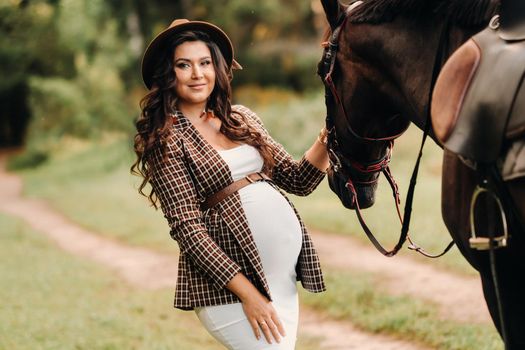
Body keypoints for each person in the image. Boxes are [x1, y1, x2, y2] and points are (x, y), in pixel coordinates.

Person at [132, 18, 330, 349]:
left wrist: (329, 137)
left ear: (217, 67)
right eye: (184, 65)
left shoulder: (241, 118)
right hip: (229, 289)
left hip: (279, 282)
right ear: (168, 75)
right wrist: (250, 295)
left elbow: (299, 180)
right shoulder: (167, 138)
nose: (197, 74)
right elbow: (187, 229)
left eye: (205, 62)